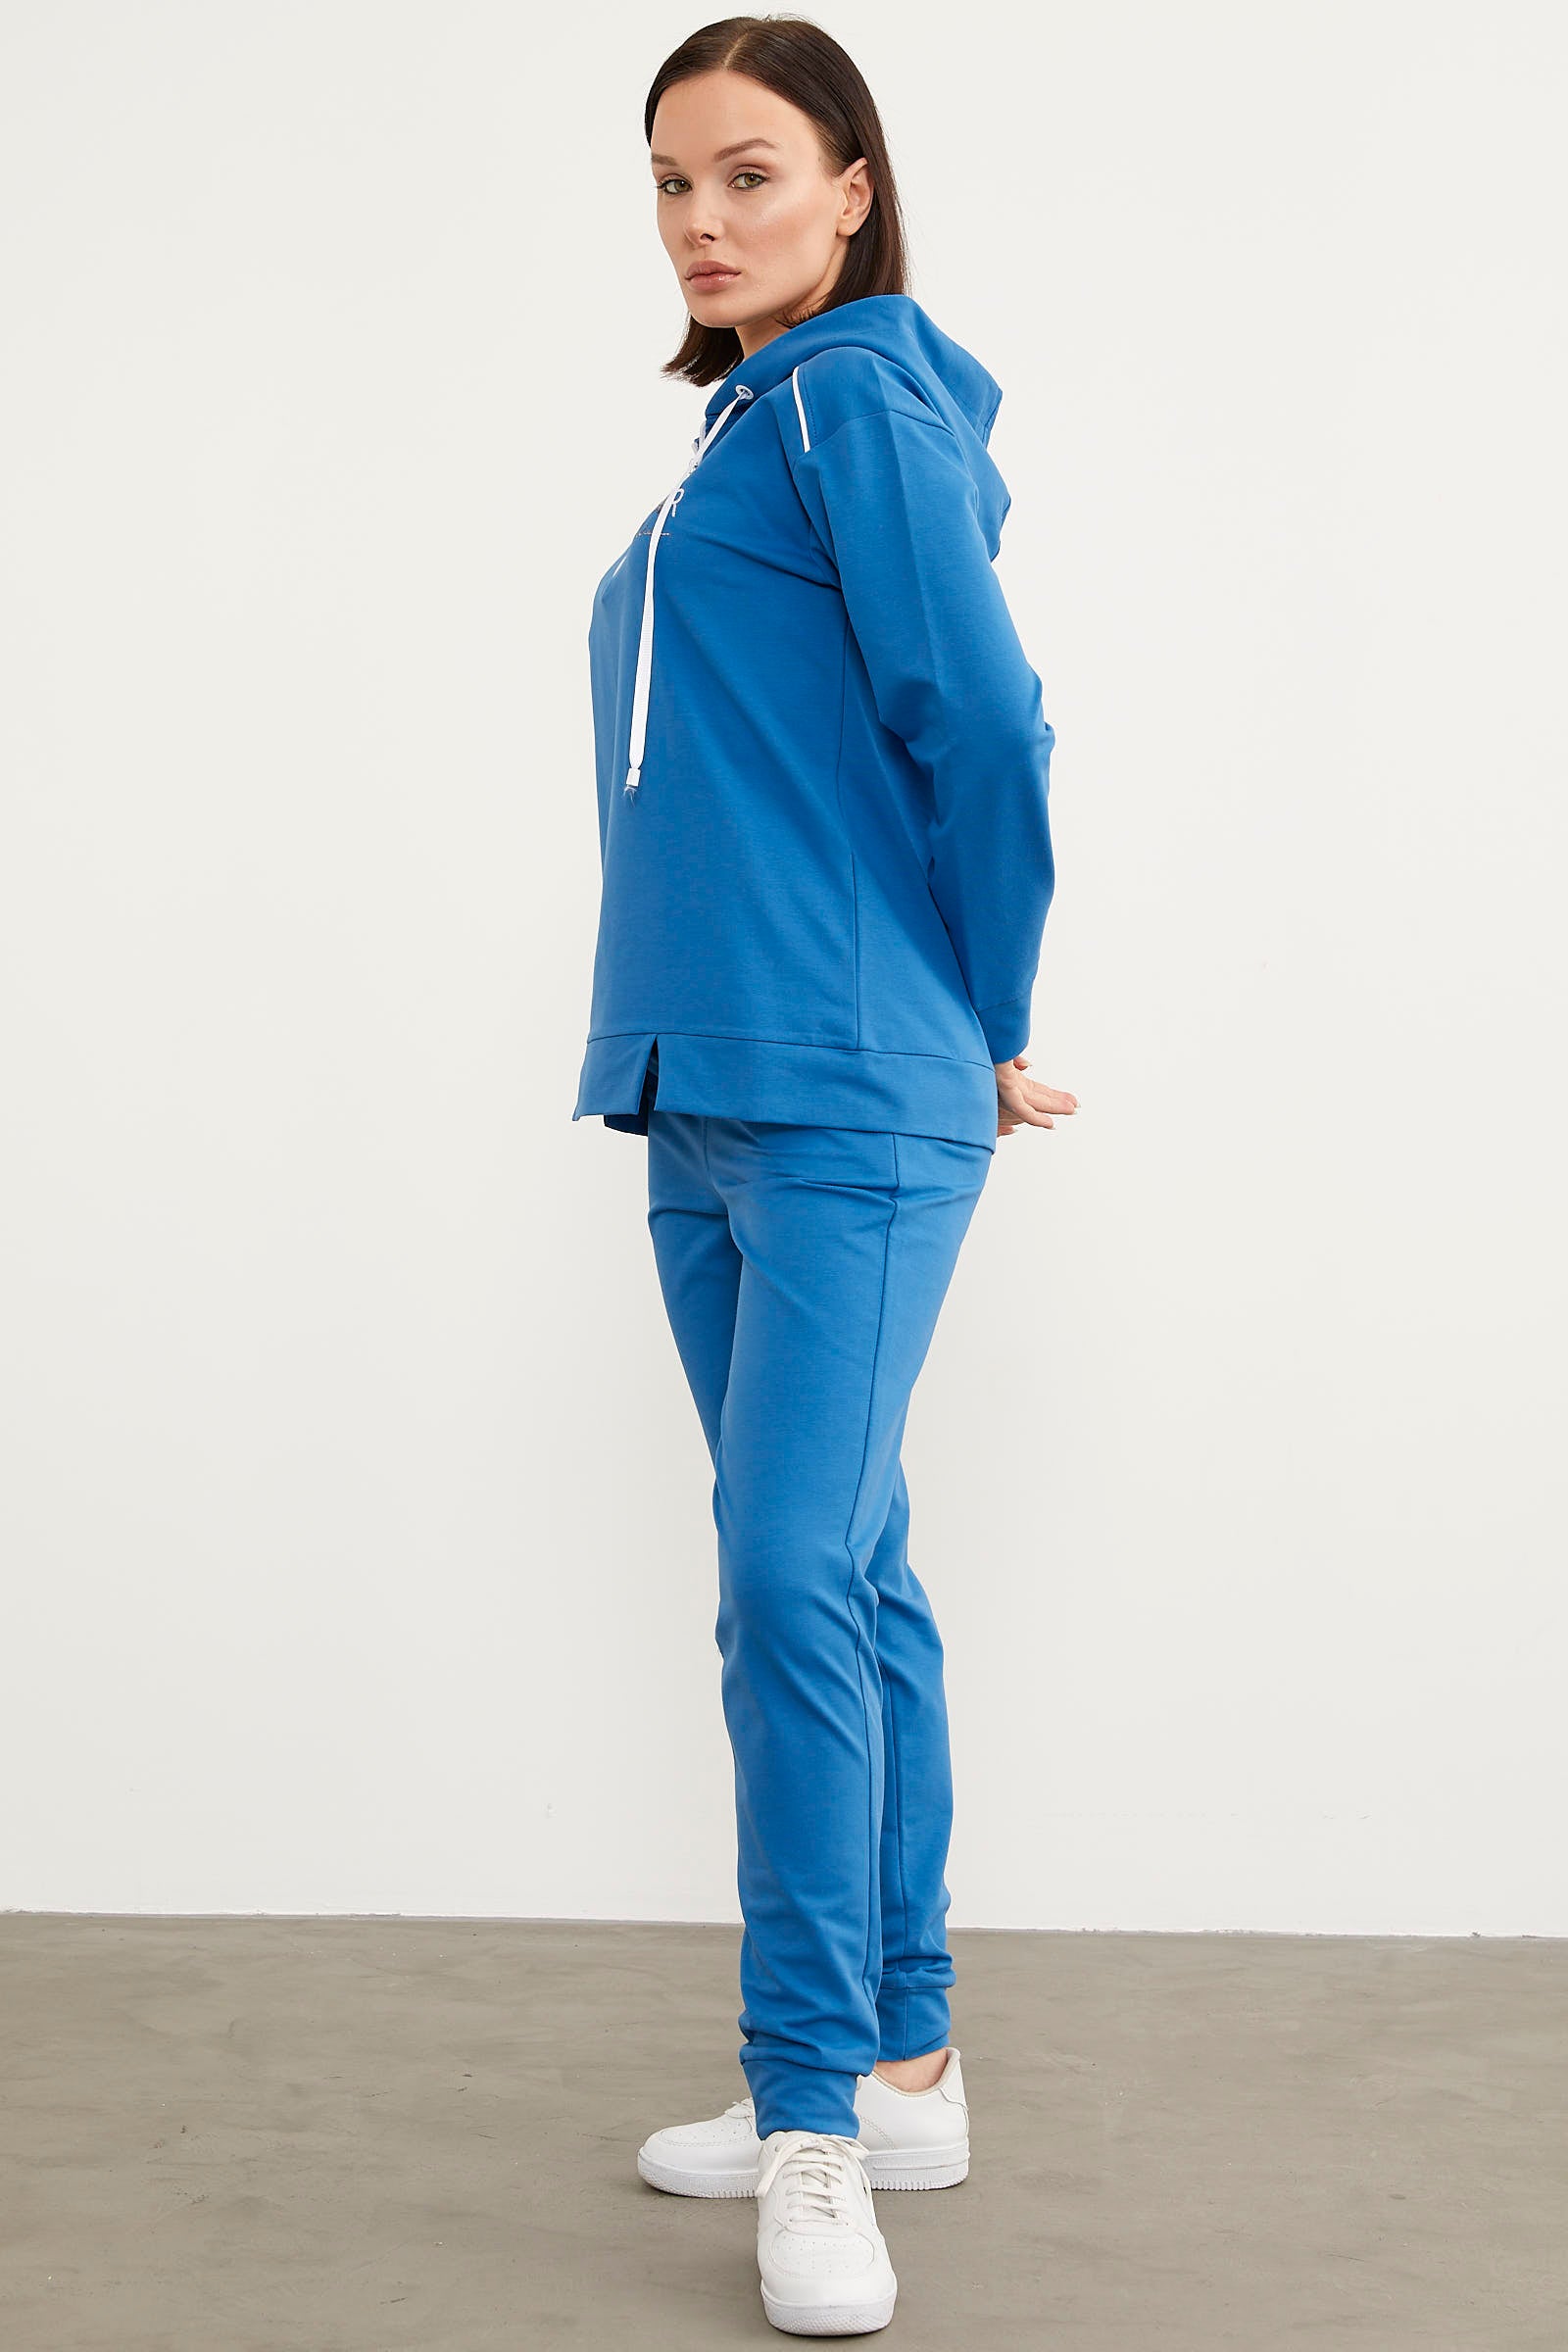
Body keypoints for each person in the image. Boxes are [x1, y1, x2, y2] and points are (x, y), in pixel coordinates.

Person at [570, 16, 1077, 2336]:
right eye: (671, 183)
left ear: (852, 188)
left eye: (750, 173)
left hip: (851, 1083)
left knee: (779, 1578)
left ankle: (807, 2118)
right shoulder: (744, 428)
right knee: (847, 1573)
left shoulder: (856, 397)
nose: (703, 218)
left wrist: (989, 1006)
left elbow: (982, 717)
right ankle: (899, 2061)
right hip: (701, 1087)